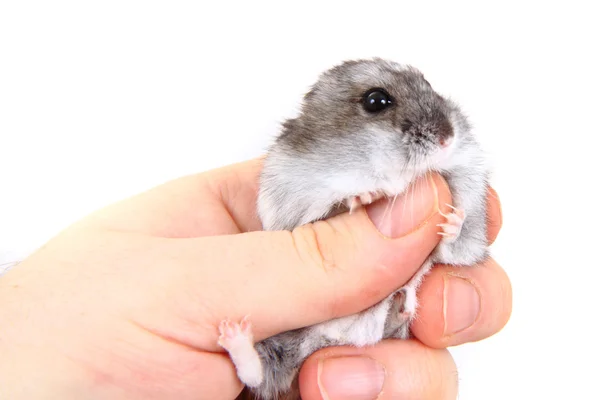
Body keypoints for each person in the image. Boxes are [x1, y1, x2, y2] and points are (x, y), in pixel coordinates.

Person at [0, 157, 511, 400]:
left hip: (373, 318)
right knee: (270, 367)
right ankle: (246, 355)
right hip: (298, 344)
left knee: (412, 311)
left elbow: (460, 247)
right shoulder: (314, 186)